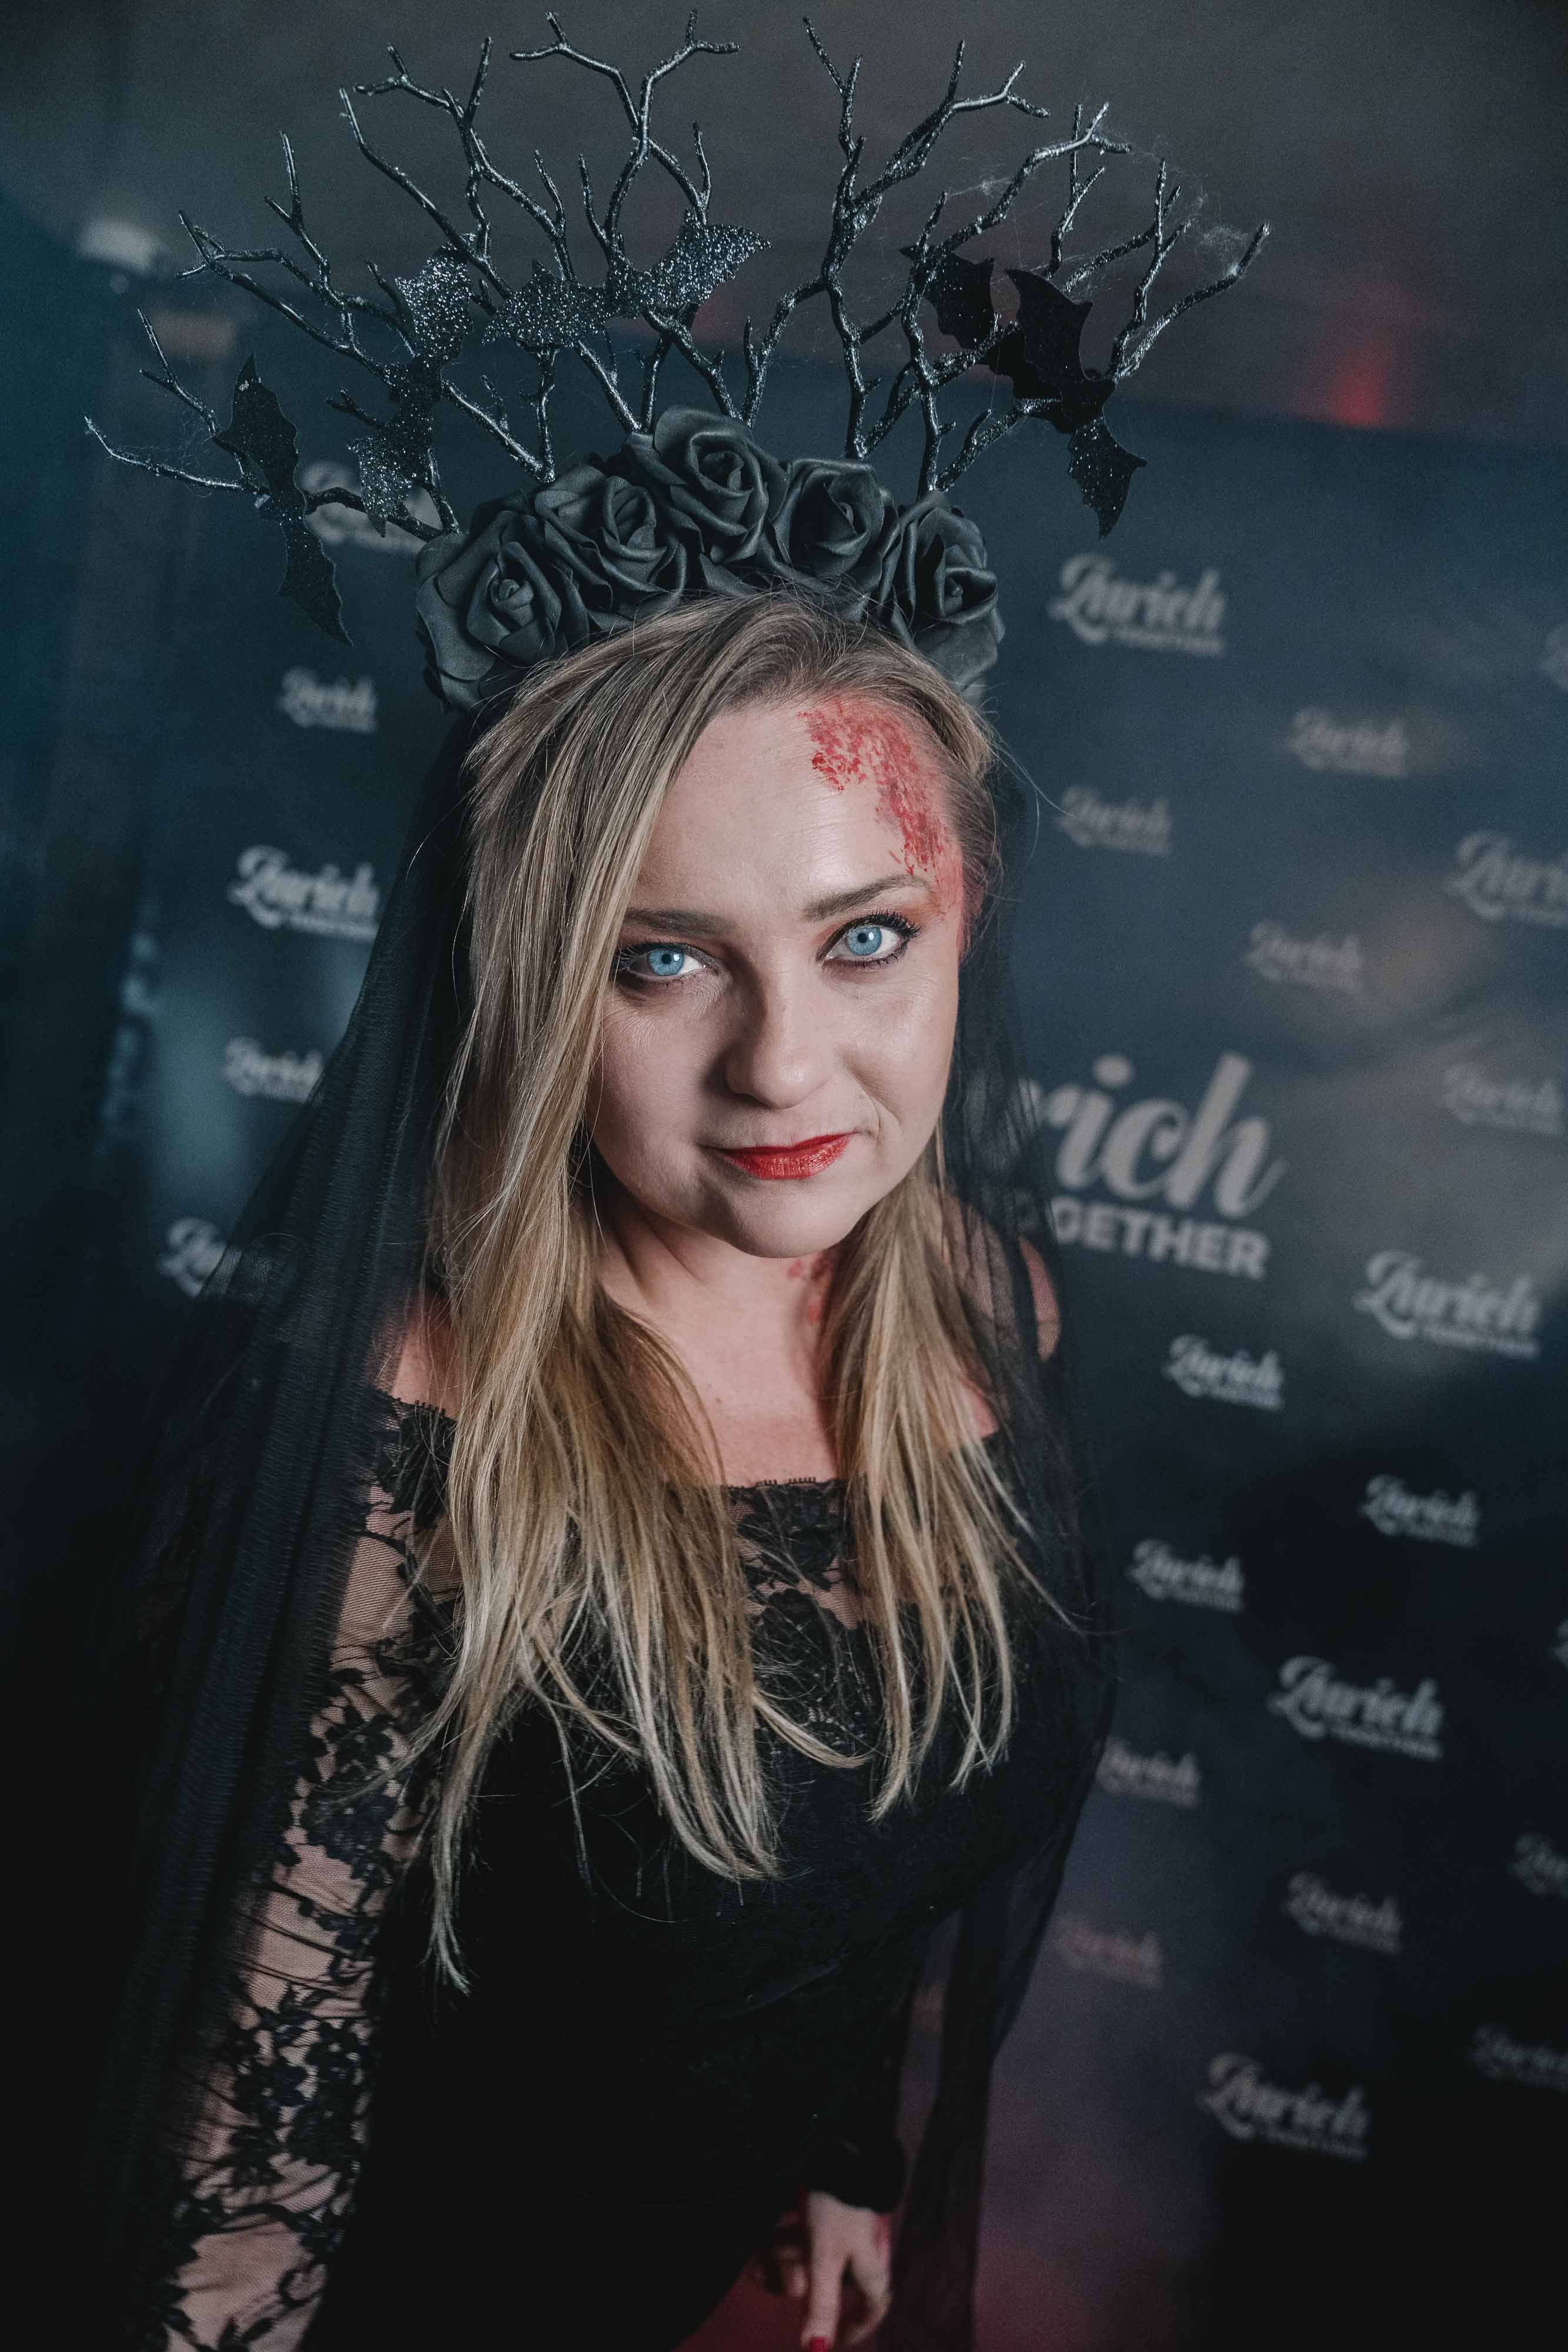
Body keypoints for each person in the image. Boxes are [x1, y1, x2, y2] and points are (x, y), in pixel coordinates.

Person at [72, 24, 1261, 2347]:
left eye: (863, 937)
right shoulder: (413, 1432)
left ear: (969, 918)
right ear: (529, 988)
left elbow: (886, 1826)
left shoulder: (987, 1304)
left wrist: (835, 2134)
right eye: (658, 956)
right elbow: (253, 2142)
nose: (783, 1064)